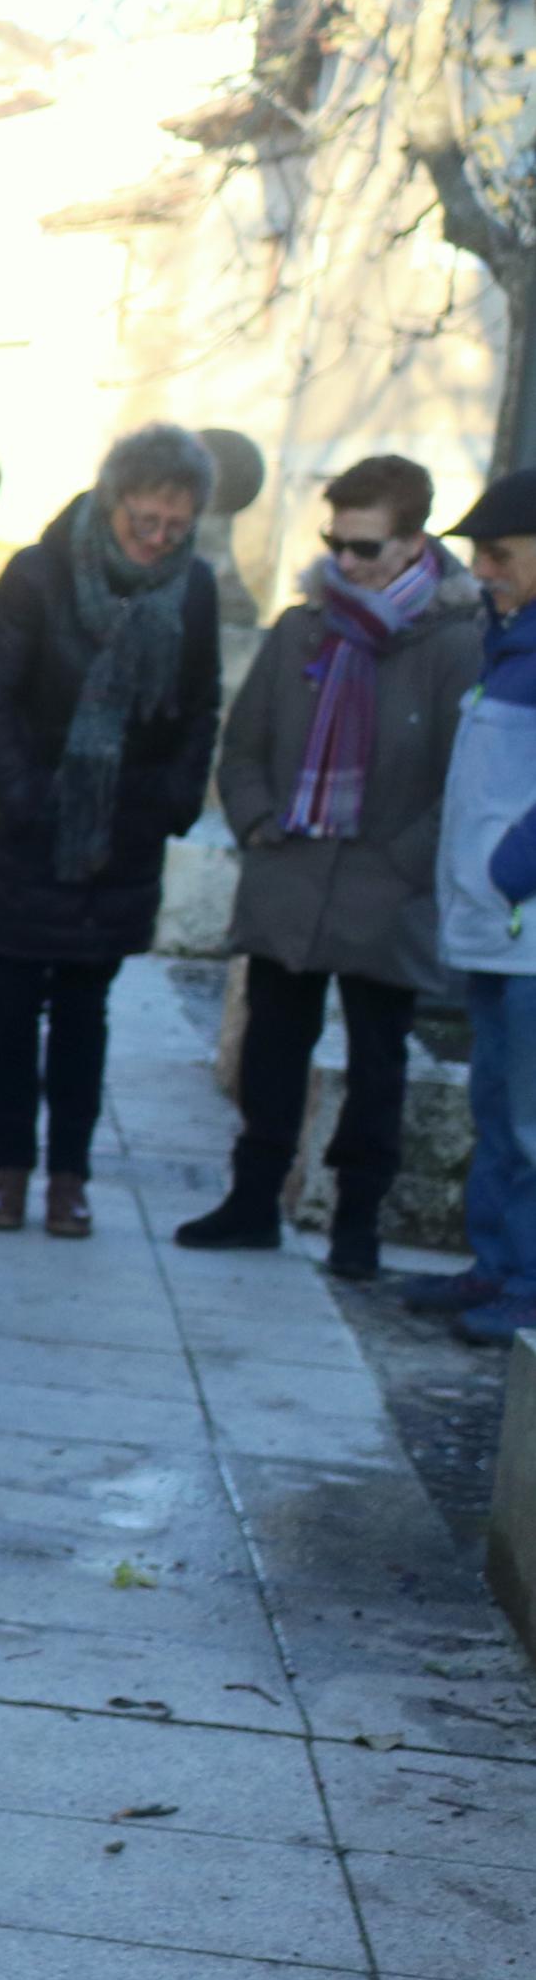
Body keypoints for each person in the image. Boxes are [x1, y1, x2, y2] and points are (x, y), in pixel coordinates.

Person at [177, 455, 478, 1274]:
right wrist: (257, 823)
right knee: (272, 1046)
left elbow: (464, 777)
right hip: (290, 872)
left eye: (365, 546)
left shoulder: (456, 641)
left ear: (414, 542)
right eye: (332, 542)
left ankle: (356, 1225)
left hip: (386, 887)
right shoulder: (301, 627)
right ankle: (251, 1202)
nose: (344, 562)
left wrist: (405, 862)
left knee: (377, 1063)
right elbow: (241, 746)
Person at [0, 424, 227, 1239]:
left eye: (175, 526)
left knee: (82, 1012)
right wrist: (27, 795)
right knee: (9, 1002)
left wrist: (169, 799)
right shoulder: (38, 574)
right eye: (146, 520)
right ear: (113, 502)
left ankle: (68, 1176)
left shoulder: (195, 589)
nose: (159, 539)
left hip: (121, 831)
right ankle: (6, 1169)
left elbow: (201, 703)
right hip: (25, 825)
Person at [430, 472, 536, 1344]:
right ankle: (496, 1266)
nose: (484, 571)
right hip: (498, 930)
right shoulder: (506, 640)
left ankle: (529, 1282)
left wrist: (509, 870)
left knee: (529, 1117)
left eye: (499, 554)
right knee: (495, 1110)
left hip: (524, 925)